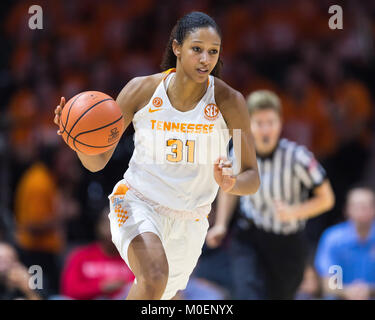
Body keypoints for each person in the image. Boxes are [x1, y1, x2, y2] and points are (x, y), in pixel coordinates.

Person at [53, 11, 260, 300]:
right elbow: (97, 162)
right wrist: (79, 142)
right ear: (176, 48)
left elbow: (251, 177)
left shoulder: (230, 102)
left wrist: (230, 183)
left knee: (159, 293)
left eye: (213, 52)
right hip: (137, 201)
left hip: (190, 220)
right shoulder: (142, 90)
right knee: (153, 278)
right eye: (196, 49)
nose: (205, 59)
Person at [206, 90, 335, 299]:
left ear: (281, 123)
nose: (266, 130)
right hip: (250, 236)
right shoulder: (239, 152)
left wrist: (295, 211)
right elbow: (229, 188)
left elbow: (327, 198)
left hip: (288, 243)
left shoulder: (297, 156)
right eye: (259, 123)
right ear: (249, 124)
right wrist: (221, 224)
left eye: (271, 122)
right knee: (248, 294)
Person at [60, 207, 134, 300]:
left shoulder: (133, 259)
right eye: (108, 223)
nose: (111, 229)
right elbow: (69, 289)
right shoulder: (81, 256)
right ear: (99, 226)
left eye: (119, 224)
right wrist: (101, 287)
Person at [314, 187, 375, 300]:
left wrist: (369, 290)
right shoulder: (333, 238)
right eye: (358, 206)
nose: (362, 210)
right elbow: (328, 284)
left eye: (367, 206)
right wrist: (347, 292)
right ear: (347, 209)